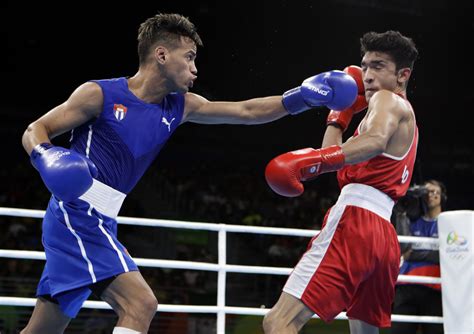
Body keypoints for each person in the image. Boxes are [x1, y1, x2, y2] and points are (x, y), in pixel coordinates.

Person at [20, 12, 358, 334]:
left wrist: (300, 98)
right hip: (76, 214)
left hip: (102, 218)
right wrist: (46, 156)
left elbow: (246, 111)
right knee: (140, 304)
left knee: (44, 329)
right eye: (190, 57)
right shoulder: (100, 94)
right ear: (162, 55)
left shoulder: (180, 106)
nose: (195, 69)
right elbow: (37, 129)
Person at [263, 30, 419, 333]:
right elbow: (337, 157)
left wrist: (309, 162)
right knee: (364, 330)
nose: (367, 76)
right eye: (364, 66)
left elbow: (372, 141)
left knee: (278, 321)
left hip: (355, 223)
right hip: (383, 237)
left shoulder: (388, 101)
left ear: (403, 75)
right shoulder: (403, 114)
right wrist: (339, 116)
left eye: (378, 66)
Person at [391, 180, 446, 334]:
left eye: (435, 192)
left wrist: (415, 253)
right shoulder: (411, 221)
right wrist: (401, 214)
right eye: (426, 192)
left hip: (435, 288)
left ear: (442, 197)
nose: (431, 195)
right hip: (406, 286)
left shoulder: (448, 224)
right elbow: (404, 251)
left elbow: (443, 256)